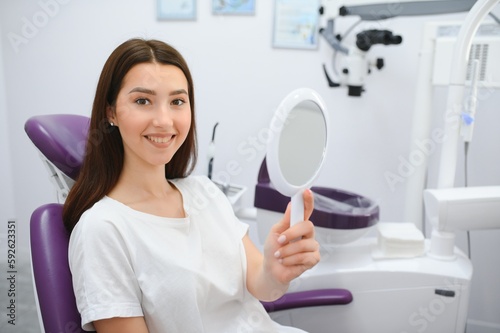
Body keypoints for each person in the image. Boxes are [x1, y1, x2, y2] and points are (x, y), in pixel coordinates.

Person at [63, 38, 320, 333]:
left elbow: (264, 289)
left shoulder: (205, 193)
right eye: (142, 101)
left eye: (177, 102)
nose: (164, 120)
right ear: (111, 113)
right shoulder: (103, 228)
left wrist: (276, 270)